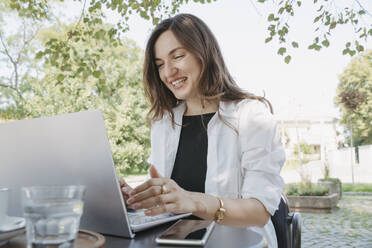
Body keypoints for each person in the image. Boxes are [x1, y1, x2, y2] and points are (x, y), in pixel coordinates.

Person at [119, 13, 285, 248]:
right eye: (160, 65)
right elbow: (165, 200)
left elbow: (259, 211)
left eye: (177, 56)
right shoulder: (163, 123)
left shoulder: (251, 116)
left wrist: (193, 201)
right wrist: (133, 199)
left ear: (204, 53)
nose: (168, 72)